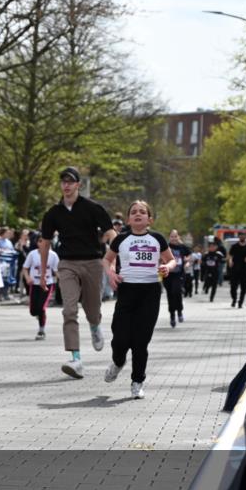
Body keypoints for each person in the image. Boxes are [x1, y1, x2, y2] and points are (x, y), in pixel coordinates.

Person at [38, 167, 116, 379]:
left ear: (78, 185)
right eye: (63, 181)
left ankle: (95, 326)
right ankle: (75, 358)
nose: (66, 185)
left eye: (70, 181)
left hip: (92, 262)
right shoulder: (53, 213)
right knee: (69, 310)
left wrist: (113, 259)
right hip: (67, 263)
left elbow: (110, 232)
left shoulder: (92, 208)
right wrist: (44, 272)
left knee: (92, 308)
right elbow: (45, 243)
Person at [102, 201, 176, 400]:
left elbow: (171, 259)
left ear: (149, 219)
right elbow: (107, 260)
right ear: (128, 219)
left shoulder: (157, 238)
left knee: (140, 341)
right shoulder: (121, 239)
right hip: (127, 290)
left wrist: (167, 267)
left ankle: (137, 382)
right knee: (120, 337)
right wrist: (110, 275)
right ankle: (118, 362)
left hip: (150, 292)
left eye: (142, 212)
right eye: (133, 212)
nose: (138, 214)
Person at [22, 231, 59, 340]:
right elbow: (25, 268)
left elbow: (57, 271)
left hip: (47, 284)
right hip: (34, 284)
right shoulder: (32, 254)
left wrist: (64, 281)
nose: (42, 243)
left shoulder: (53, 255)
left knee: (42, 308)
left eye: (45, 241)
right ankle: (38, 315)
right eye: (40, 241)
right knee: (33, 311)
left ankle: (41, 331)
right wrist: (28, 278)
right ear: (37, 242)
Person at [164, 229, 192, 326]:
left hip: (179, 274)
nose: (174, 238)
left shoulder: (182, 247)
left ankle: (179, 311)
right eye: (172, 236)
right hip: (168, 274)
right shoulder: (166, 247)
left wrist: (187, 261)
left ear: (178, 237)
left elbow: (189, 256)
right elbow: (159, 256)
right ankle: (172, 315)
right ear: (169, 237)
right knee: (170, 294)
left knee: (177, 291)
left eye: (175, 236)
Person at [227, 232, 246, 308]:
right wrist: (230, 261)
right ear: (239, 237)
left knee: (244, 287)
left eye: (244, 235)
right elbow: (230, 255)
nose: (242, 237)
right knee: (233, 287)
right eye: (241, 236)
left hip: (244, 270)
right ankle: (234, 299)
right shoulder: (234, 246)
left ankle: (240, 302)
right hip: (235, 269)